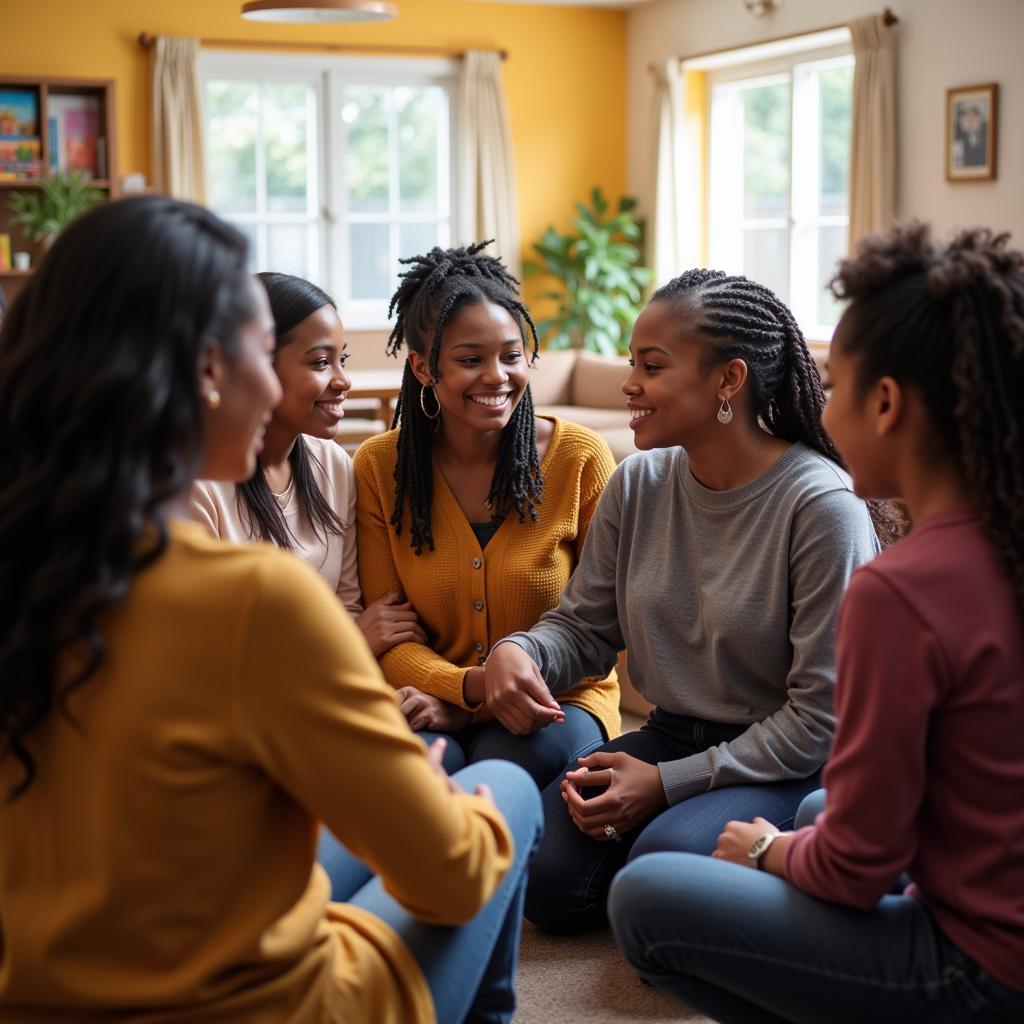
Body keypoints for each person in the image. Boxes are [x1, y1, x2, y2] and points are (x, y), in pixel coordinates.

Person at [0, 196, 542, 1024]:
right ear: (208, 373)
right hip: (263, 1007)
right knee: (502, 787)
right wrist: (445, 808)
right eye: (266, 351)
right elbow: (451, 875)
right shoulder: (253, 597)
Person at [609, 224, 1024, 1023]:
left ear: (888, 403)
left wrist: (762, 853)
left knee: (646, 896)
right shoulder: (995, 545)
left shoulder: (899, 588)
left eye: (834, 385)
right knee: (810, 813)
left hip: (980, 969)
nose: (820, 406)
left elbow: (856, 869)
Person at [486, 267, 898, 933]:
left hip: (790, 758)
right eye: (631, 364)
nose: (629, 384)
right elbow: (585, 628)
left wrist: (664, 787)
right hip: (671, 734)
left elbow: (822, 719)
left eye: (652, 366)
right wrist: (519, 652)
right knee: (547, 881)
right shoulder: (639, 482)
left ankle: (758, 864)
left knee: (660, 861)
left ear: (728, 380)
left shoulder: (820, 506)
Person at [352, 242, 620, 786]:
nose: (497, 376)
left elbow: (604, 627)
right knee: (406, 780)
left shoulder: (579, 461)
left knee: (498, 776)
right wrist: (470, 690)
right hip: (430, 699)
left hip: (559, 700)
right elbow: (392, 636)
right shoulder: (380, 468)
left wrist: (476, 704)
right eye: (471, 359)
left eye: (512, 355)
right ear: (424, 367)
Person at [191, 271, 424, 658]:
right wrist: (348, 642)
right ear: (256, 365)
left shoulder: (333, 464)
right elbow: (210, 651)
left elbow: (348, 606)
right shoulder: (202, 483)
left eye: (342, 359)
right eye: (320, 362)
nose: (343, 380)